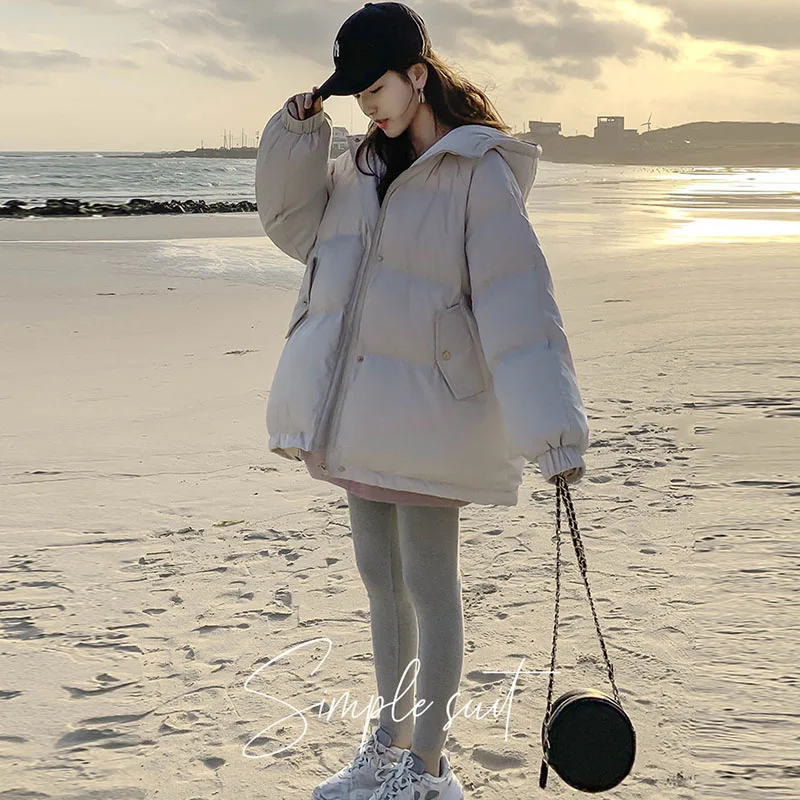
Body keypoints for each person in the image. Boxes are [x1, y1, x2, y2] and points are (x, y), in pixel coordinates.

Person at [255, 3, 589, 798]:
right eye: (355, 95)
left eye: (375, 89)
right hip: (362, 410)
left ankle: (428, 768)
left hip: (435, 412)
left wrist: (553, 434)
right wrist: (295, 137)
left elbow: (519, 304)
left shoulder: (478, 173)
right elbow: (292, 228)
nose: (366, 107)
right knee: (380, 577)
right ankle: (388, 744)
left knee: (430, 590)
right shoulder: (356, 169)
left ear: (417, 75)